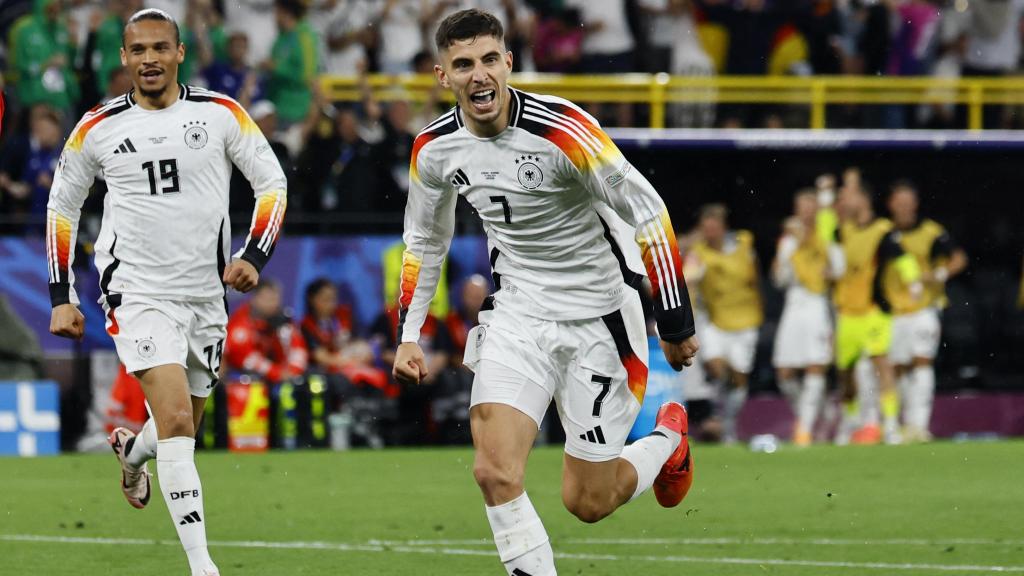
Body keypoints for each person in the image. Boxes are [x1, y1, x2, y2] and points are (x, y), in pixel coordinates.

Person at [392, 10, 699, 575]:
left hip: (601, 319)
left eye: (489, 60)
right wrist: (408, 334)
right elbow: (423, 243)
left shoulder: (564, 131)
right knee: (493, 471)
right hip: (519, 315)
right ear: (443, 76)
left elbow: (648, 211)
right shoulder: (434, 150)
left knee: (588, 502)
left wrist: (675, 321)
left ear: (509, 63)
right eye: (464, 65)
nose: (479, 75)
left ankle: (666, 444)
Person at [46, 9, 287, 576]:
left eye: (160, 47)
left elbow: (271, 183)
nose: (149, 58)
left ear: (181, 53)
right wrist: (63, 293)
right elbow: (61, 207)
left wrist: (253, 255)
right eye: (138, 50)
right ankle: (203, 566)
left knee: (182, 425)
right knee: (177, 421)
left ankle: (133, 454)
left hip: (206, 294)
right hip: (136, 289)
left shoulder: (221, 114)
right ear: (124, 58)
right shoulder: (95, 127)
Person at [831, 177, 921, 445]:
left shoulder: (883, 229)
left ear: (864, 200)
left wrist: (913, 281)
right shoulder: (843, 229)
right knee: (845, 374)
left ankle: (891, 425)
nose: (844, 201)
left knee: (883, 366)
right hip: (847, 312)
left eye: (849, 196)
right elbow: (827, 234)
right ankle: (851, 422)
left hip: (874, 311)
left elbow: (902, 256)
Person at [886, 181, 967, 442]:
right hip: (895, 311)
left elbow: (959, 258)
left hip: (925, 309)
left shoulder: (932, 232)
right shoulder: (885, 233)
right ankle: (900, 424)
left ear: (916, 205)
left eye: (908, 203)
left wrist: (939, 274)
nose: (904, 208)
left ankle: (919, 426)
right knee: (898, 367)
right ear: (891, 205)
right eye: (900, 203)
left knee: (922, 361)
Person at [771, 189, 844, 446]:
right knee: (784, 372)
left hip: (817, 305)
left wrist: (830, 272)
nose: (806, 212)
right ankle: (820, 412)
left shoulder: (827, 238)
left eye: (810, 207)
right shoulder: (789, 241)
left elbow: (840, 269)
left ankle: (804, 429)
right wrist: (793, 249)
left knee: (816, 364)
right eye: (801, 207)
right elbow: (779, 279)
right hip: (793, 304)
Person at [687, 204, 762, 443]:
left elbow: (755, 278)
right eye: (705, 228)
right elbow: (688, 279)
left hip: (745, 321)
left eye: (714, 228)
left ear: (723, 228)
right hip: (715, 321)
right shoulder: (698, 253)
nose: (710, 233)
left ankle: (728, 424)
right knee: (716, 366)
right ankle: (719, 418)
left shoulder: (743, 246)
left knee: (738, 377)